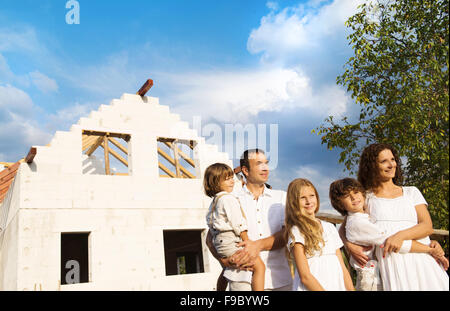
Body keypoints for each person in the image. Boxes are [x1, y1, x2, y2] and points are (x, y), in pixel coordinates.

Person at [340, 143, 449, 291]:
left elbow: (427, 226)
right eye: (384, 161)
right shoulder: (366, 197)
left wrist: (400, 236)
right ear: (372, 166)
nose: (391, 164)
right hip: (392, 261)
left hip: (422, 256)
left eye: (393, 159)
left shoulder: (411, 192)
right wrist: (350, 246)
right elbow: (346, 227)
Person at [206, 149, 293, 291]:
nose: (265, 168)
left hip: (280, 282)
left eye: (266, 163)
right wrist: (224, 261)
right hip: (241, 280)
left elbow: (287, 234)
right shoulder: (230, 198)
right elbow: (211, 238)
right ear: (245, 170)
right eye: (259, 163)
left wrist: (256, 246)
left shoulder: (282, 198)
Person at [204, 163, 265, 291]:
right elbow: (238, 222)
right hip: (230, 240)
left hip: (220, 244)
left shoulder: (215, 201)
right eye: (227, 179)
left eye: (232, 177)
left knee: (227, 269)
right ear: (215, 182)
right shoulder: (228, 199)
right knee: (259, 267)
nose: (232, 181)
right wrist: (246, 241)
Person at [285, 178, 354, 291]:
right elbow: (305, 276)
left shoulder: (330, 227)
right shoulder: (297, 231)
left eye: (312, 195)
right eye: (302, 198)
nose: (308, 201)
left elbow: (342, 267)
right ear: (294, 202)